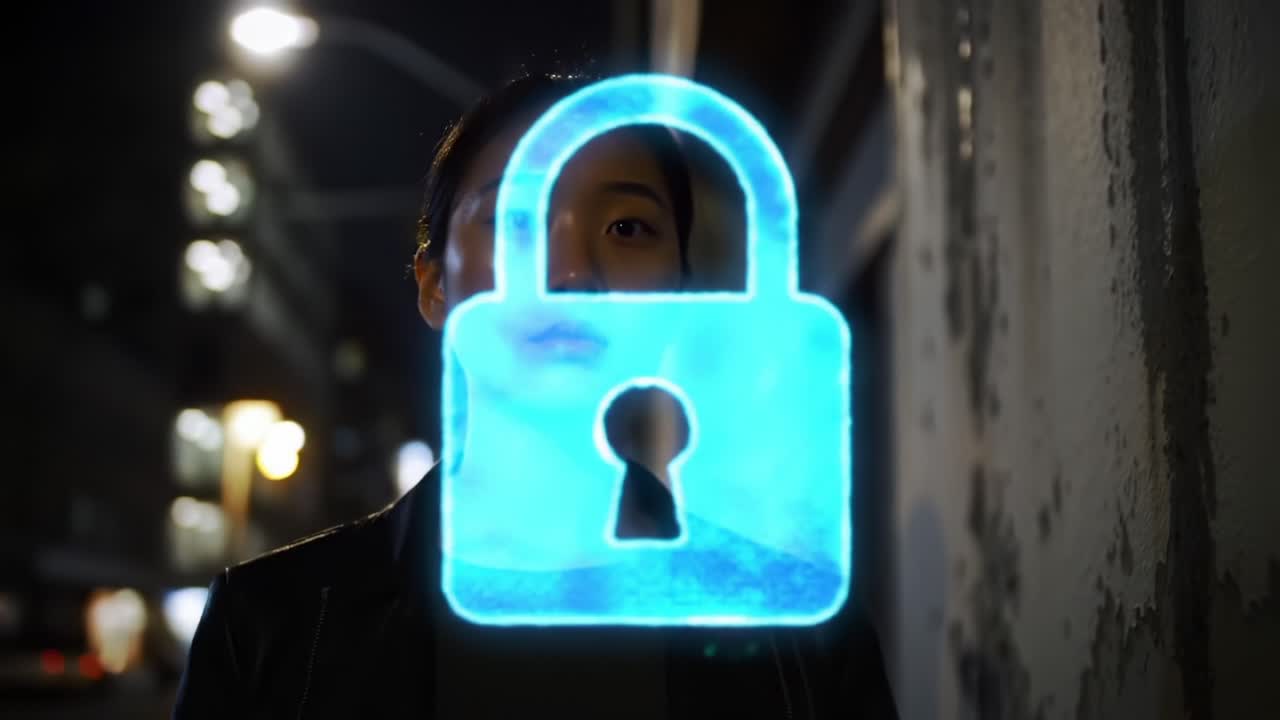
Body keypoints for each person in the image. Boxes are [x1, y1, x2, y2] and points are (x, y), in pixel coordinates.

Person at [173, 73, 899, 719]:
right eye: (517, 220)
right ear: (435, 285)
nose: (571, 271)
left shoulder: (800, 636)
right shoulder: (272, 626)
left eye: (627, 227)